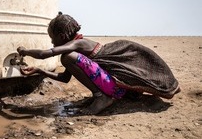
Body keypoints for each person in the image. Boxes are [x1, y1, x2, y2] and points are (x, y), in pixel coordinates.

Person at [17, 12, 180, 115]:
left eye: (53, 37)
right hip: (115, 87)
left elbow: (47, 54)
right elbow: (65, 78)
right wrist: (39, 70)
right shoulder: (76, 49)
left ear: (61, 35)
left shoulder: (77, 45)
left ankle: (101, 98)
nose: (52, 41)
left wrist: (25, 51)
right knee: (67, 59)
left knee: (65, 58)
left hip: (113, 89)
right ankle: (102, 96)